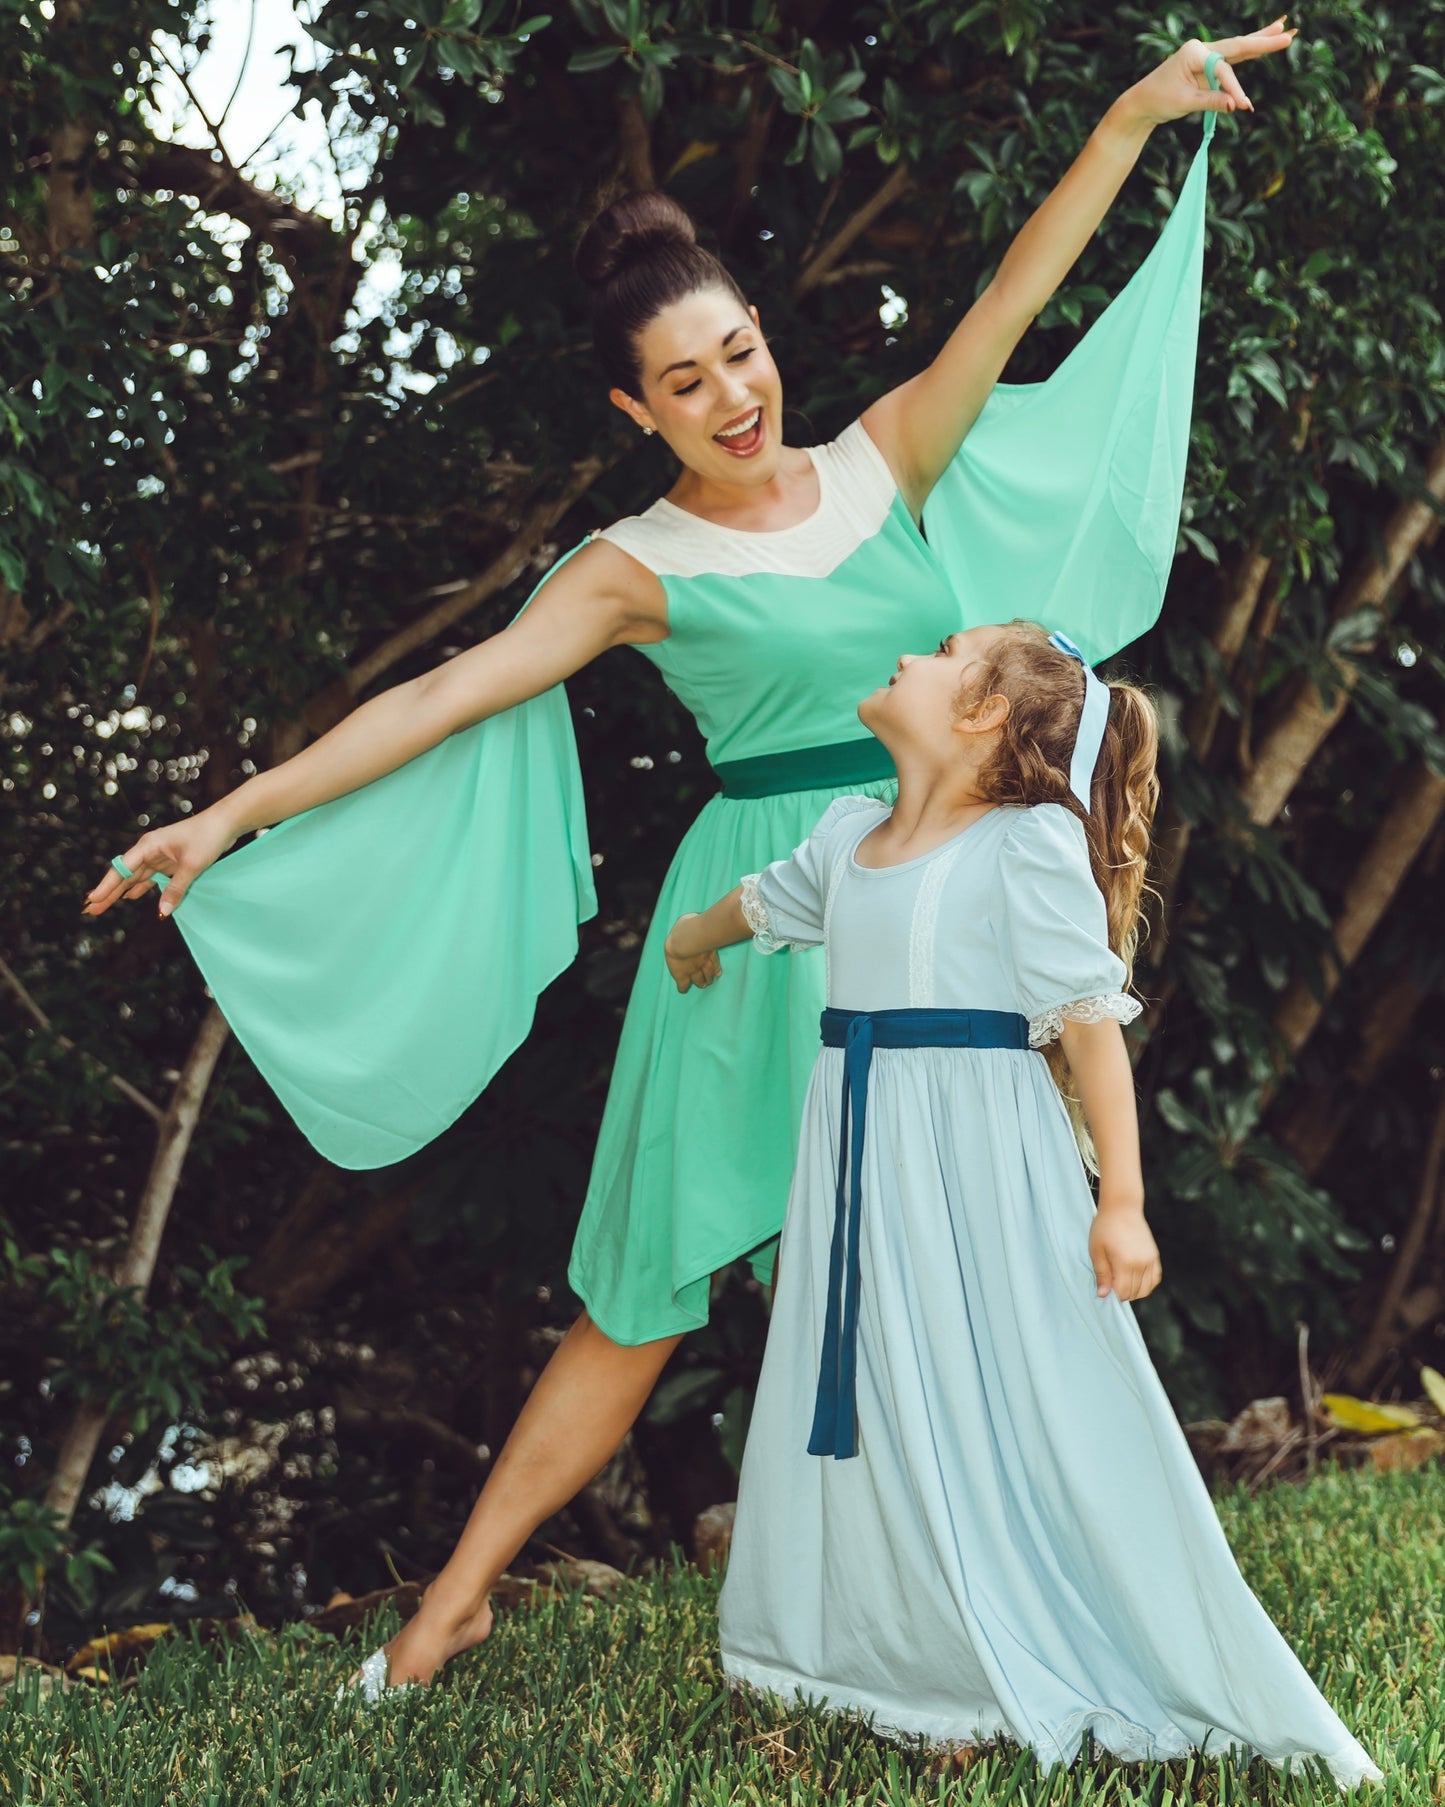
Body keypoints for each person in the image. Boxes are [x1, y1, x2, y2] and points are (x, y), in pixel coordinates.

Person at [80, 27, 1297, 1693]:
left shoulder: (885, 458)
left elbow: (1020, 292)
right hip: (751, 923)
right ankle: (451, 1602)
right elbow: (445, 694)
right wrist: (230, 813)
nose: (733, 398)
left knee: (929, 1258)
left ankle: (954, 1618)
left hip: (923, 903)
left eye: (739, 353)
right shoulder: (631, 562)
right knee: (647, 1290)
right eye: (686, 381)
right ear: (631, 405)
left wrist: (1130, 115)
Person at [663, 621, 1382, 1788]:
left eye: (946, 649)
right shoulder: (848, 834)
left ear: (984, 712)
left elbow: (1089, 1029)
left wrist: (1123, 1202)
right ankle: (886, 1648)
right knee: (885, 1382)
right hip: (857, 1156)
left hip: (978, 1160)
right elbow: (762, 903)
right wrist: (689, 943)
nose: (910, 652)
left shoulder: (1024, 843)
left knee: (982, 1376)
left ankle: (1010, 1640)